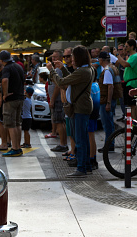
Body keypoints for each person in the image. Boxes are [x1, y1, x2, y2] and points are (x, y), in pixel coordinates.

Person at [48, 45, 94, 178]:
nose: (71, 60)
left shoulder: (83, 71)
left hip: (80, 108)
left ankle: (81, 169)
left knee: (79, 139)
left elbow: (62, 82)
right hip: (82, 107)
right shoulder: (86, 69)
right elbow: (72, 79)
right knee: (82, 137)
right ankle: (86, 166)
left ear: (78, 58)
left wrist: (52, 71)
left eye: (73, 57)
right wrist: (62, 68)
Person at [0, 50, 26, 157]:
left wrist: (5, 94)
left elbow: (5, 80)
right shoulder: (18, 66)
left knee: (11, 124)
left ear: (2, 60)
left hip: (11, 99)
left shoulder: (7, 68)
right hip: (19, 97)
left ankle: (14, 148)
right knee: (17, 123)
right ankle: (18, 147)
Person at [97, 51, 121, 152]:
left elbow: (110, 87)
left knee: (107, 124)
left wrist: (108, 103)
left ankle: (109, 145)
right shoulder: (113, 68)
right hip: (110, 100)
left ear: (101, 60)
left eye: (99, 59)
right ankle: (110, 144)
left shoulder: (107, 71)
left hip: (106, 100)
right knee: (109, 123)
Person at [48, 50, 68, 153]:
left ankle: (63, 144)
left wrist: (52, 99)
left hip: (58, 100)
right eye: (52, 57)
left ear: (61, 58)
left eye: (56, 57)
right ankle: (63, 143)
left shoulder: (58, 70)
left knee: (60, 122)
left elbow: (57, 85)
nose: (53, 59)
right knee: (59, 122)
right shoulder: (56, 69)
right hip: (57, 99)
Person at [117, 39, 137, 120]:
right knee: (129, 105)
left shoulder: (135, 56)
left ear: (132, 47)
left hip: (132, 83)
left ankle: (134, 125)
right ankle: (131, 125)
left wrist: (118, 55)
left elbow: (125, 64)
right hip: (128, 83)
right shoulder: (130, 56)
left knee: (132, 105)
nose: (125, 48)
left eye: (127, 46)